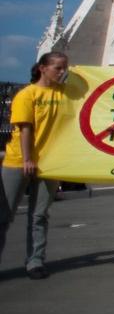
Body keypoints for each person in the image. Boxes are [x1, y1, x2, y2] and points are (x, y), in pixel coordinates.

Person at [1, 52, 69, 280]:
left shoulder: (64, 94)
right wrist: (28, 159)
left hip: (49, 163)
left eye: (64, 68)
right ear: (43, 68)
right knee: (5, 215)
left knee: (39, 215)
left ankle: (35, 261)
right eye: (57, 68)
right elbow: (26, 128)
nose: (62, 72)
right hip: (19, 161)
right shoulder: (27, 94)